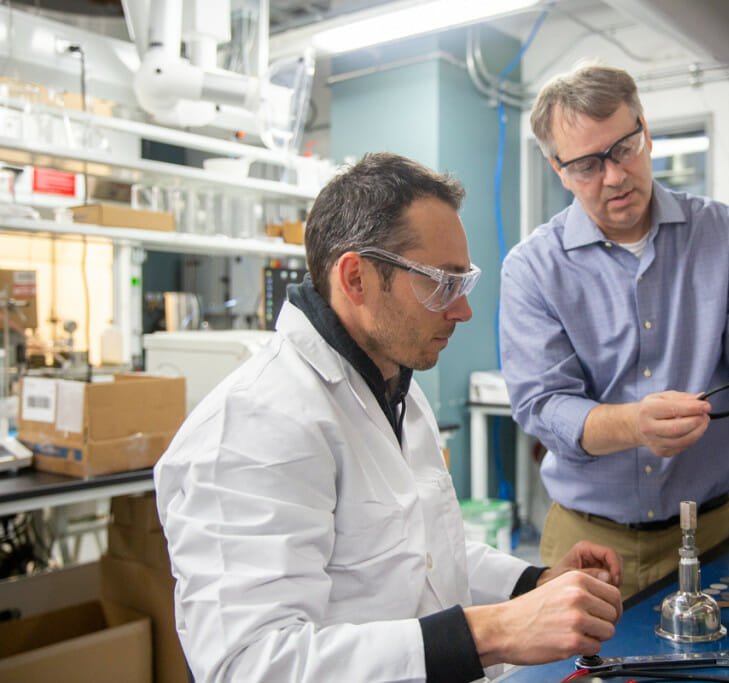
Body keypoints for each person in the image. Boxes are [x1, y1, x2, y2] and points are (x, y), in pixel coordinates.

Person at [155, 152, 624, 682]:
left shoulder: (394, 386)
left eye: (462, 282)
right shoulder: (252, 426)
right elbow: (252, 666)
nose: (462, 310)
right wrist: (495, 631)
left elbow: (423, 552)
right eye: (440, 283)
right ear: (355, 279)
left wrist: (533, 585)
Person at [499, 62, 729, 599]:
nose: (615, 176)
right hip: (588, 547)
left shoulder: (728, 235)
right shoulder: (533, 267)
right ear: (558, 169)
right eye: (588, 165)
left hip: (713, 535)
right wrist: (633, 425)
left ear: (644, 130)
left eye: (623, 148)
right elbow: (543, 406)